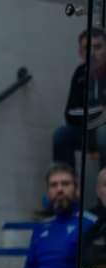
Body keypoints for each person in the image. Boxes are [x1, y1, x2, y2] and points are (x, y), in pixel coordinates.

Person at [54, 28, 106, 170]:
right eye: (87, 48)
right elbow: (70, 114)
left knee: (103, 133)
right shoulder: (80, 74)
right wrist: (99, 111)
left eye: (98, 47)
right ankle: (66, 186)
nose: (92, 53)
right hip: (87, 131)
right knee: (62, 135)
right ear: (80, 52)